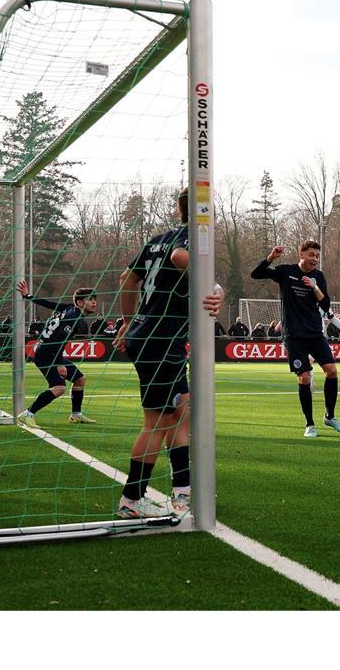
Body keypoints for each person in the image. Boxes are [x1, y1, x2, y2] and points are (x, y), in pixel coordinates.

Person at [114, 187, 224, 518]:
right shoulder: (193, 235)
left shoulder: (157, 239)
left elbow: (126, 279)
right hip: (161, 339)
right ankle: (132, 500)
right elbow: (180, 258)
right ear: (206, 209)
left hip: (149, 336)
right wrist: (213, 287)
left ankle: (182, 490)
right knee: (158, 421)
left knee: (180, 409)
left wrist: (128, 322)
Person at [251, 241, 340, 438]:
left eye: (317, 256)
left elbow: (325, 303)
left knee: (331, 371)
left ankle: (330, 416)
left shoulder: (318, 276)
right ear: (301, 254)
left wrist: (315, 288)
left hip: (315, 333)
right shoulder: (286, 271)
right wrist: (271, 258)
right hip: (294, 336)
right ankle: (310, 424)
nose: (314, 259)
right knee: (304, 377)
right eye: (311, 255)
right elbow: (255, 274)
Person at [14, 281, 98, 427]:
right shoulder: (73, 319)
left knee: (80, 379)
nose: (94, 303)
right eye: (90, 299)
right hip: (46, 355)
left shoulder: (70, 308)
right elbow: (58, 341)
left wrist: (29, 296)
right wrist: (59, 363)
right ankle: (27, 414)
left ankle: (76, 414)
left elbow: (49, 304)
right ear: (79, 302)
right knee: (59, 388)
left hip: (49, 351)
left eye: (94, 299)